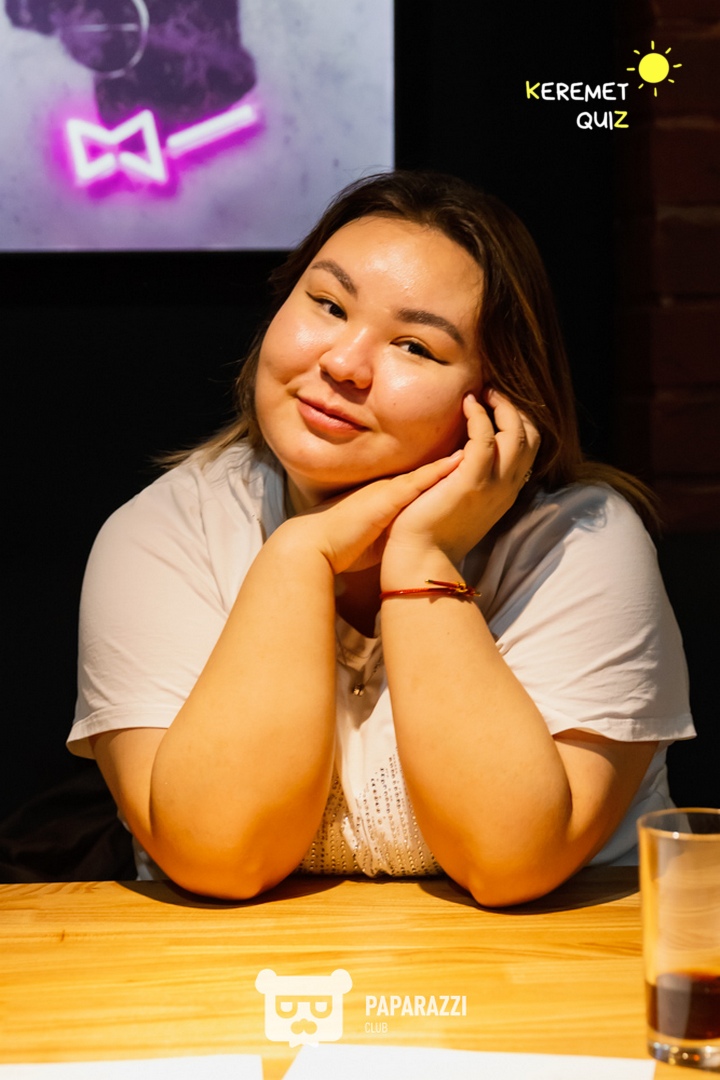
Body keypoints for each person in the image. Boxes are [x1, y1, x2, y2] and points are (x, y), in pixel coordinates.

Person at [67, 171, 694, 905]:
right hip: (245, 973)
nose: (342, 364)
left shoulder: (582, 542)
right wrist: (298, 558)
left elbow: (509, 860)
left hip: (557, 970)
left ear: (496, 397)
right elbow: (222, 856)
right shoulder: (164, 533)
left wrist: (423, 560)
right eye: (328, 305)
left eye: (415, 346)